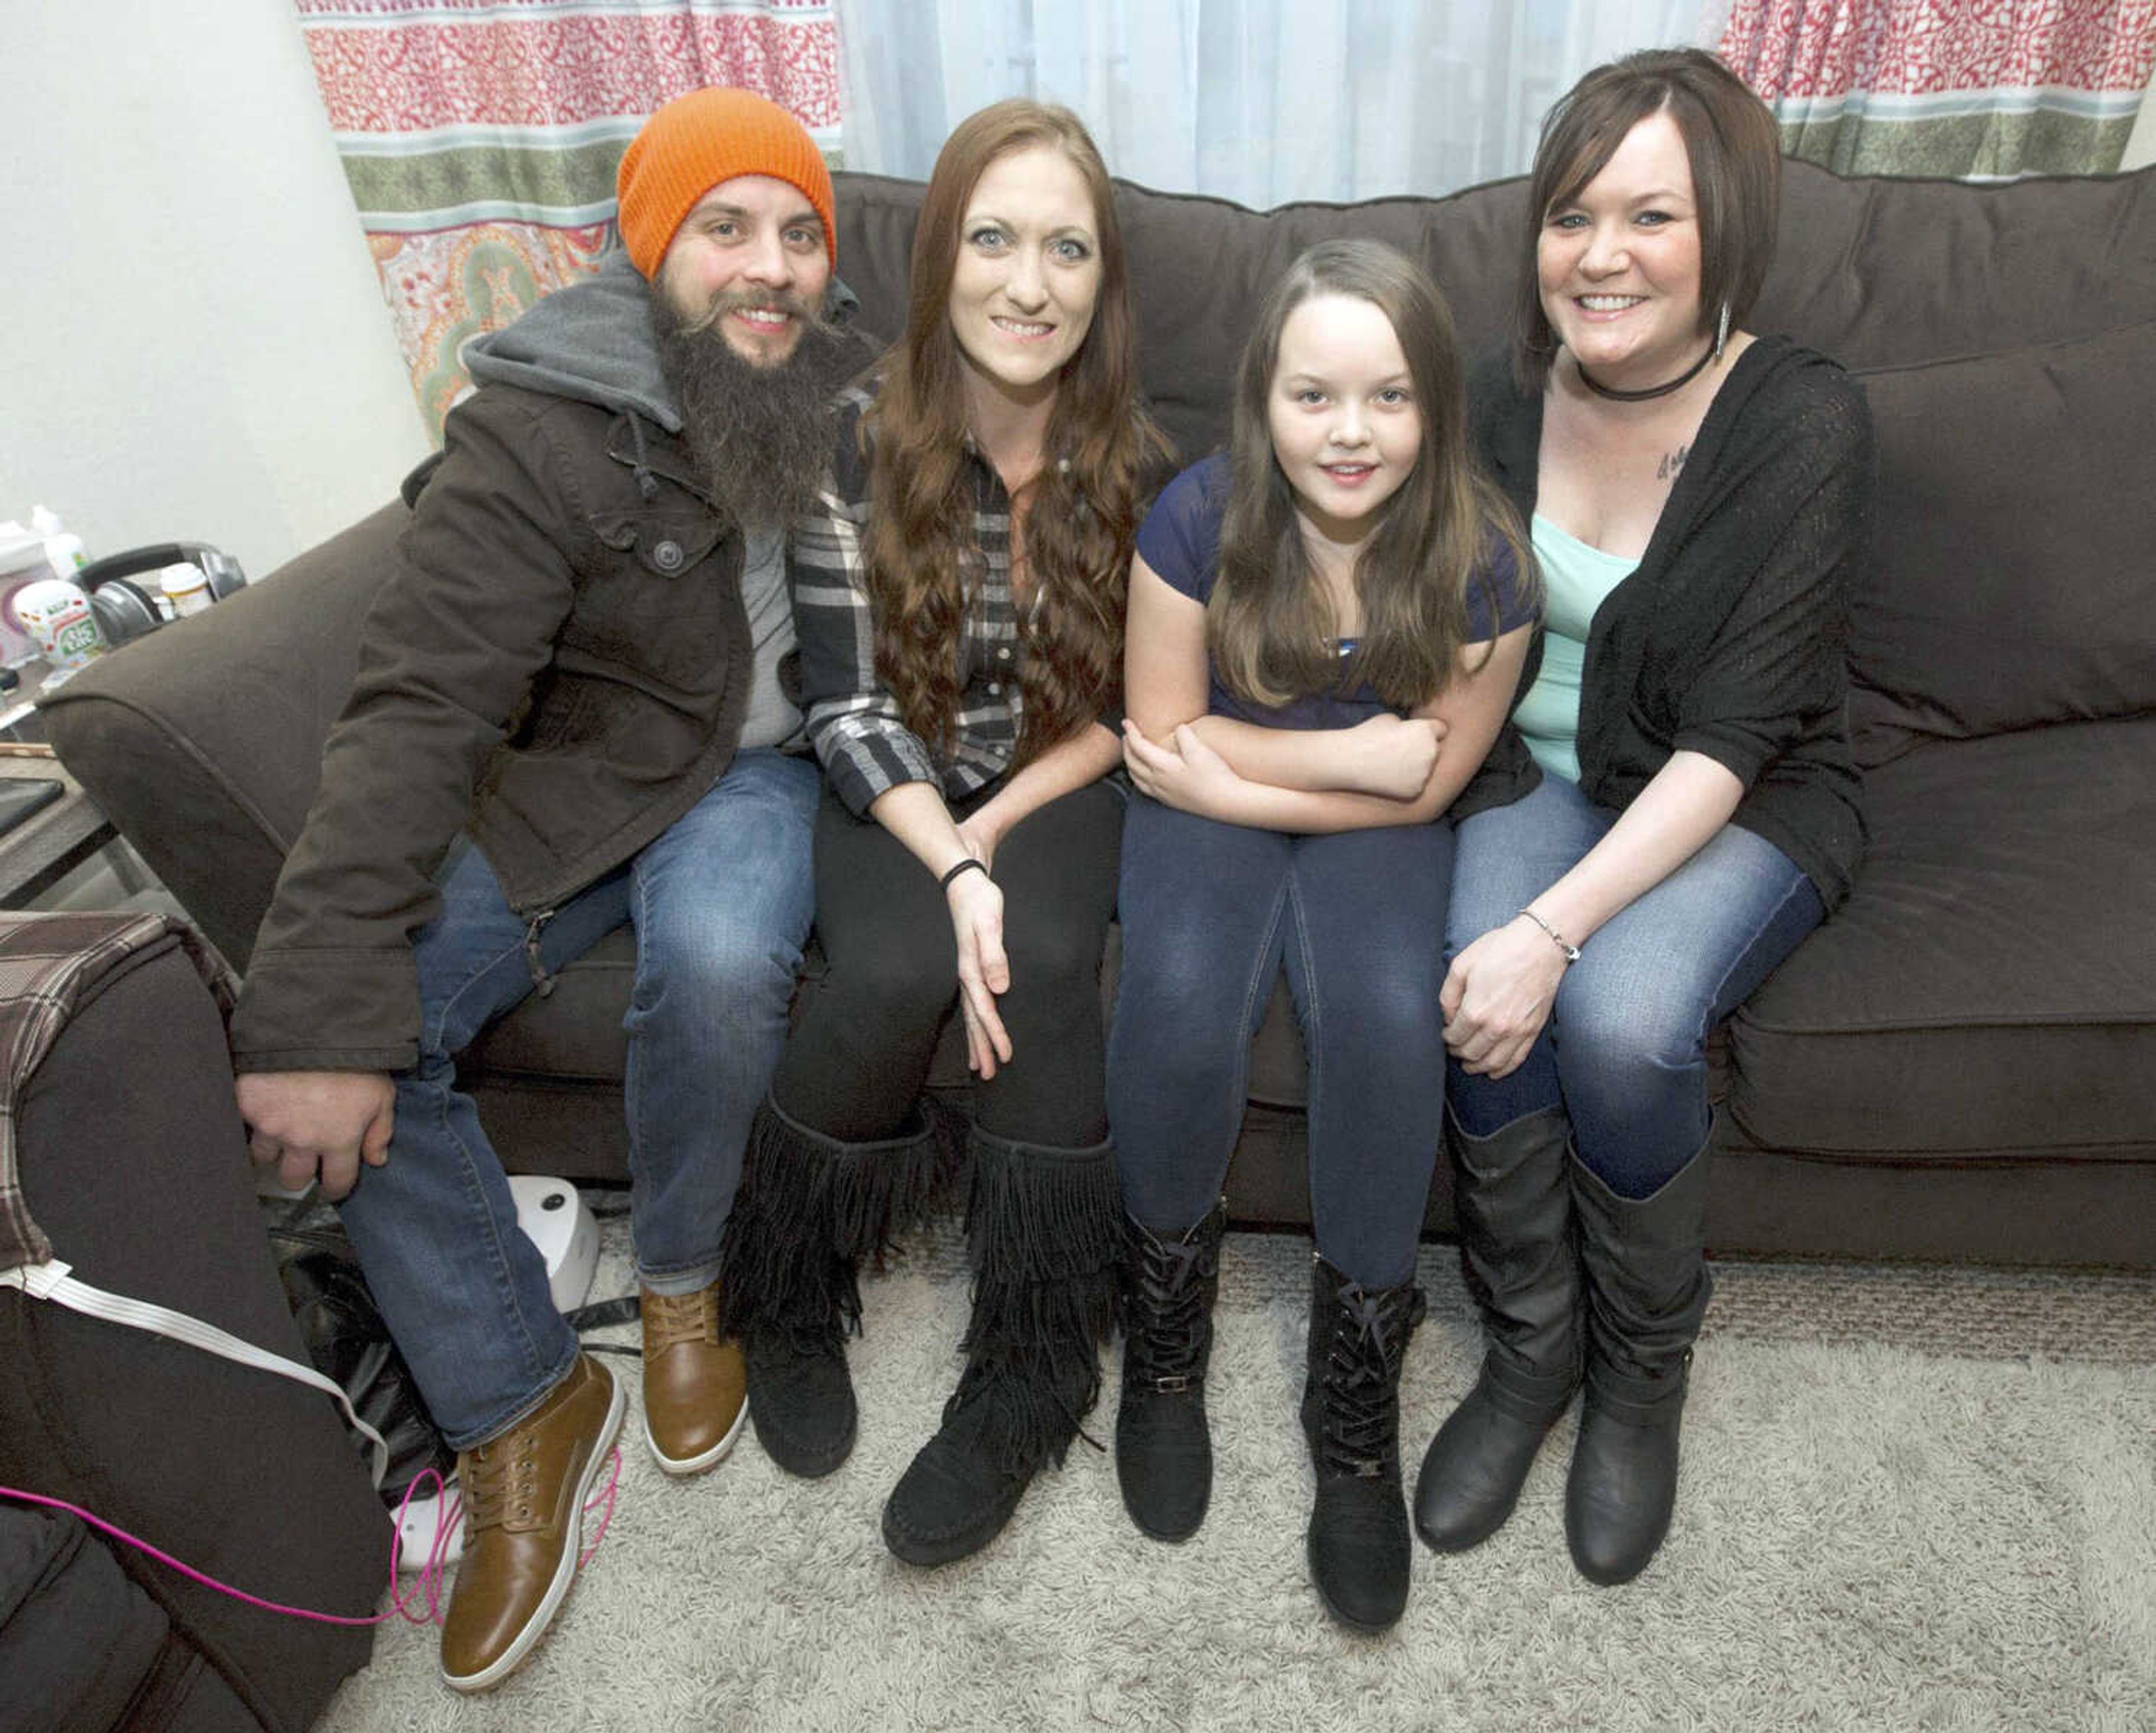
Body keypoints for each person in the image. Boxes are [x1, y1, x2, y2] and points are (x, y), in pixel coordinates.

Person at [229, 88, 876, 1690]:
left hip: (756, 775)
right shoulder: (538, 421)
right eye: (727, 227)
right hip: (575, 780)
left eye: (800, 232)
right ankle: (519, 1397)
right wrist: (316, 998)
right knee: (352, 1020)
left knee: (724, 960)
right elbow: (421, 703)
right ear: (646, 245)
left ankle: (677, 1281)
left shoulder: (851, 383)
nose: (772, 266)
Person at [1414, 48, 1874, 1588]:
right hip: (1528, 771)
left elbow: (1736, 735)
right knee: (1479, 983)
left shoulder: (1802, 419)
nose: (1598, 253)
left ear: (1723, 231)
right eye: (1570, 213)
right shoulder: (1495, 395)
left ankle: (1641, 1370)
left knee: (1615, 1018)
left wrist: (1560, 925)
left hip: (1732, 789)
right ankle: (1533, 1344)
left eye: (1649, 215)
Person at [719, 99, 1171, 1567]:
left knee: (1041, 954)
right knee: (892, 969)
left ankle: (1037, 1360)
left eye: (1065, 249)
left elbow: (1126, 714)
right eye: (993, 238)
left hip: (1057, 773)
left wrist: (1007, 837)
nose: (1027, 282)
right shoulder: (842, 441)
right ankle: (787, 1290)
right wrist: (952, 854)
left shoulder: (1143, 467)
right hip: (893, 769)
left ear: (1104, 284)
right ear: (938, 258)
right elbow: (842, 704)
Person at [1107, 239, 1536, 1633]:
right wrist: (1350, 762)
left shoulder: (1484, 561)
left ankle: (1355, 1376)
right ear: (1264, 401)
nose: (1350, 434)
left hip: (1363, 833)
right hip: (1208, 802)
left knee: (1382, 1014)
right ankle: (1165, 1336)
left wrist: (1271, 777)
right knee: (1171, 995)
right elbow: (1162, 732)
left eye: (1390, 398)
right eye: (1314, 397)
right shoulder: (1197, 514)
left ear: (1437, 411)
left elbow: (1441, 780)